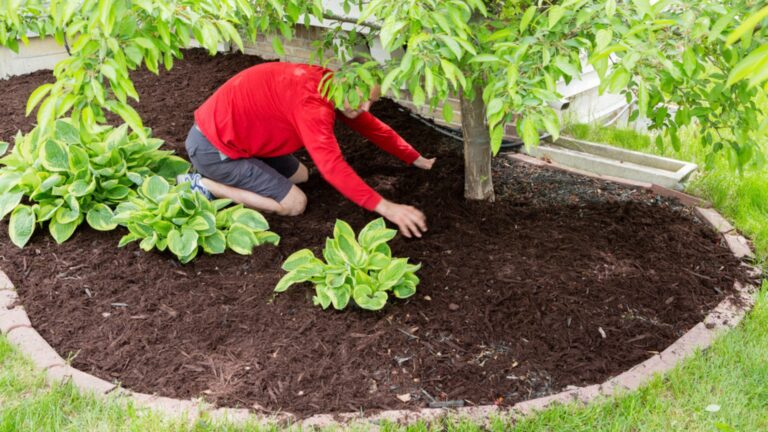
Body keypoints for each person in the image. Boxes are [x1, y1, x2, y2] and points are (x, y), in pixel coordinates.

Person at [177, 61, 435, 238]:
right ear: (346, 81)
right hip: (213, 148)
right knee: (294, 203)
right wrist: (388, 208)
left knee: (302, 175)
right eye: (363, 98)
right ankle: (204, 185)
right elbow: (332, 166)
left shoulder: (329, 83)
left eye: (372, 100)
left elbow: (373, 127)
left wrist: (416, 159)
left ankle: (244, 172)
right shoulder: (313, 106)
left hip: (241, 138)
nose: (366, 107)